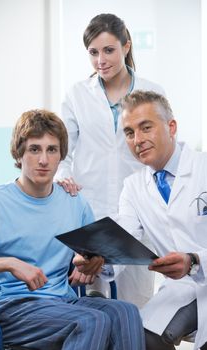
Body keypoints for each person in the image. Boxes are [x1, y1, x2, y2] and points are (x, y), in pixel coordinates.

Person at [0, 109, 145, 350]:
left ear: (61, 155)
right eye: (34, 149)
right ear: (18, 154)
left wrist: (91, 262)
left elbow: (89, 255)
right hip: (11, 306)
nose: (44, 160)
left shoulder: (74, 202)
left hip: (62, 301)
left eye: (52, 149)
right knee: (91, 321)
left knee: (127, 313)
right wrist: (11, 263)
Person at [56, 12, 165, 306]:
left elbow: (162, 150)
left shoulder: (152, 92)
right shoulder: (78, 94)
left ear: (126, 47)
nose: (100, 60)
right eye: (93, 52)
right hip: (92, 212)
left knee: (138, 307)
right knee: (95, 306)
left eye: (108, 50)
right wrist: (63, 176)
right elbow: (62, 149)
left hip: (140, 213)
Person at [117, 90, 207, 350]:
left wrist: (195, 261)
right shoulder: (133, 187)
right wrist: (98, 261)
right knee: (142, 338)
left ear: (171, 126)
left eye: (146, 128)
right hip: (181, 287)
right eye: (130, 133)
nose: (138, 140)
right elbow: (122, 239)